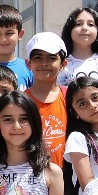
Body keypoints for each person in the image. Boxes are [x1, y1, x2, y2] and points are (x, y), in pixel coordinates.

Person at [24, 32, 70, 166]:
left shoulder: (71, 97)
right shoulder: (21, 101)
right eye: (38, 58)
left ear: (63, 64)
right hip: (31, 173)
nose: (44, 63)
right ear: (28, 63)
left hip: (67, 174)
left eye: (51, 58)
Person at [58, 6, 98, 87]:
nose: (84, 28)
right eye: (78, 24)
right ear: (70, 30)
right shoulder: (59, 63)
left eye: (90, 24)